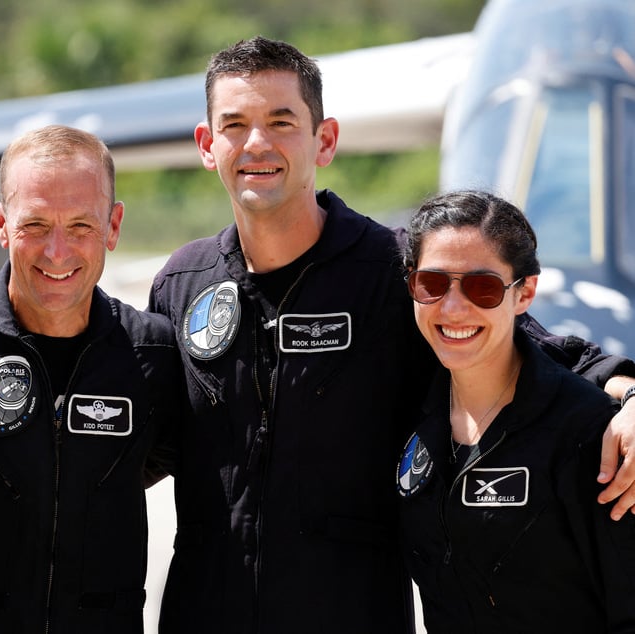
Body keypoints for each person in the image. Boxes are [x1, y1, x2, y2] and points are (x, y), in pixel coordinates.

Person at [147, 36, 635, 633]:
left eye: (281, 121)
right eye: (235, 124)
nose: (257, 143)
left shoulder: (392, 271)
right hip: (204, 614)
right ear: (206, 144)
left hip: (351, 612)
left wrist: (628, 392)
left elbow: (521, 343)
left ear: (324, 139)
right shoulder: (182, 282)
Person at [0, 125, 182, 632]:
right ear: (0, 222)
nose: (57, 252)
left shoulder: (154, 354)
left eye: (81, 226)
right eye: (36, 225)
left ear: (114, 224)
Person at [396, 190, 635, 632]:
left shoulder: (589, 432)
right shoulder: (407, 412)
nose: (452, 308)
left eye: (482, 287)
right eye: (431, 284)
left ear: (524, 292)